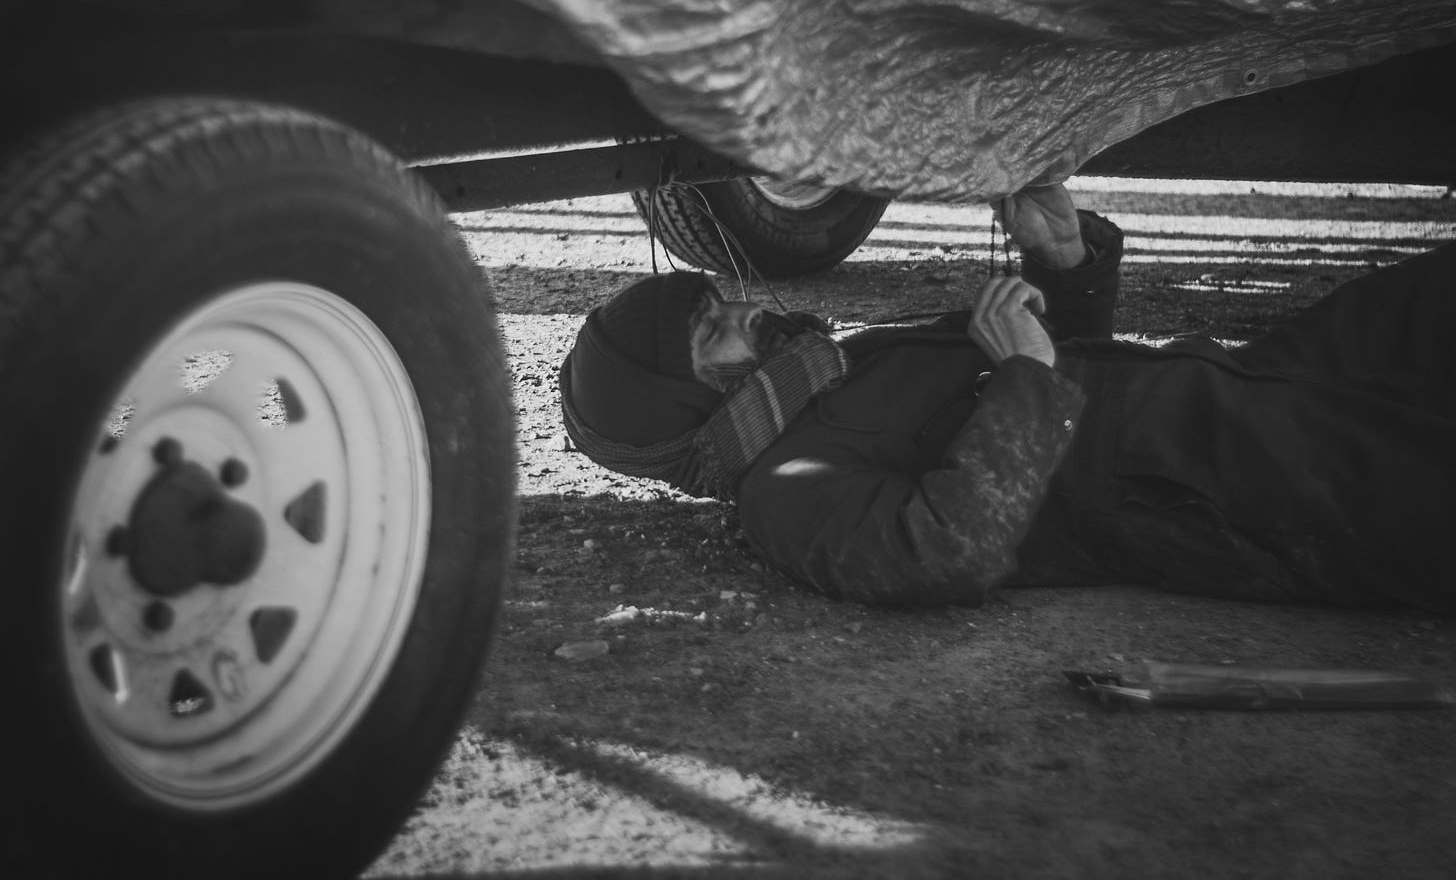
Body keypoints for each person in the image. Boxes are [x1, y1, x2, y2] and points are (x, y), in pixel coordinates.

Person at [559, 186, 1456, 612]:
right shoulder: (783, 491)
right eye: (713, 330)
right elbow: (944, 553)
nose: (748, 311)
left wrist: (1061, 266)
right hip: (1235, 483)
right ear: (690, 408)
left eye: (720, 300)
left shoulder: (830, 371)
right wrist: (1023, 376)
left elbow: (1057, 363)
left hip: (1232, 384)